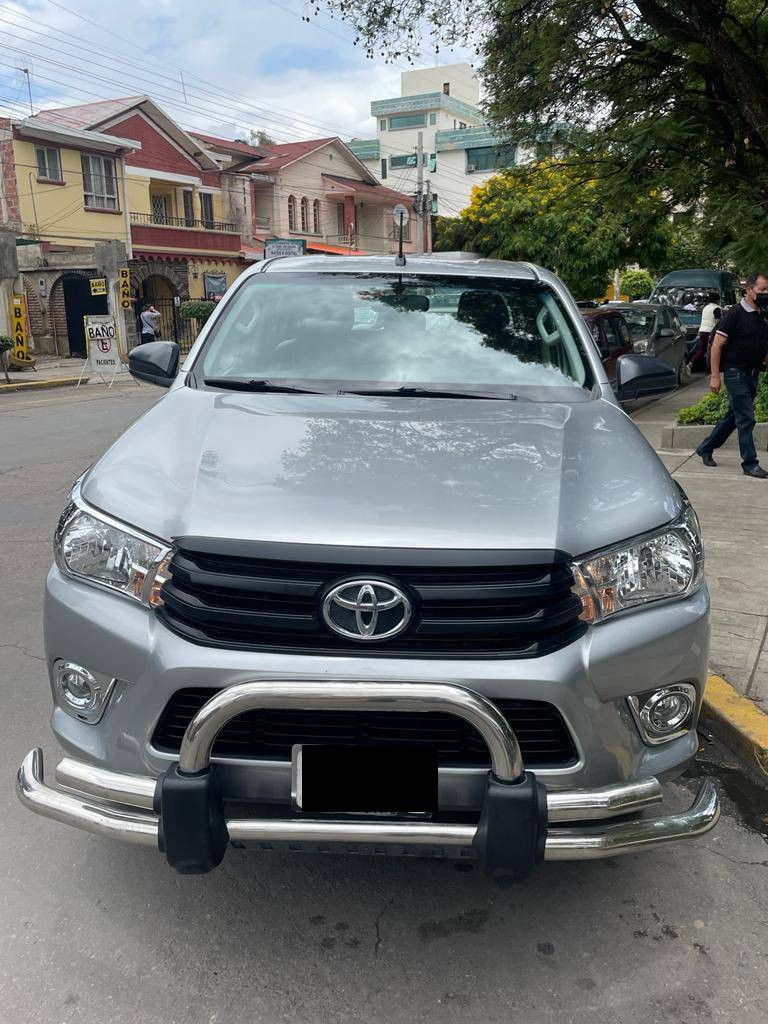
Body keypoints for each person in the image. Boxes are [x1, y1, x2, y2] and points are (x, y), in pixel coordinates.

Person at [696, 271, 768, 477]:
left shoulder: (763, 314)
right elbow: (717, 345)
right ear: (749, 289)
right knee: (746, 418)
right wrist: (715, 376)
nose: (766, 293)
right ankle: (749, 463)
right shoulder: (734, 313)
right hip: (735, 372)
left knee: (733, 417)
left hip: (753, 374)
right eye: (762, 290)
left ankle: (705, 447)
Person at [687, 292, 722, 373]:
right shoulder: (717, 308)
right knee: (713, 350)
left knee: (702, 350)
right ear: (717, 300)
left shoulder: (705, 308)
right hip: (711, 332)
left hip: (702, 331)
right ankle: (711, 368)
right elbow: (717, 322)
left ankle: (690, 364)